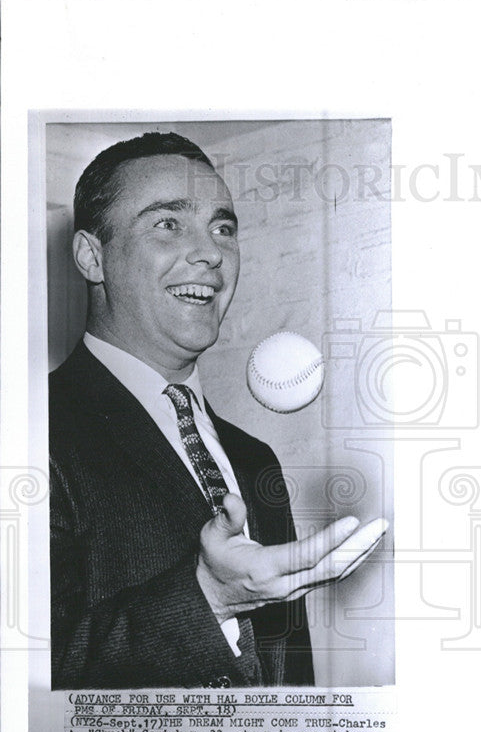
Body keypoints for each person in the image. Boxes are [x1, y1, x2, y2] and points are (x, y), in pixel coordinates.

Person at [50, 132, 384, 690]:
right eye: (168, 223)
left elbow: (289, 683)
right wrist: (208, 597)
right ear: (92, 256)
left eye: (223, 227)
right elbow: (25, 684)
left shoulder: (255, 460)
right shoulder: (30, 431)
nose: (210, 252)